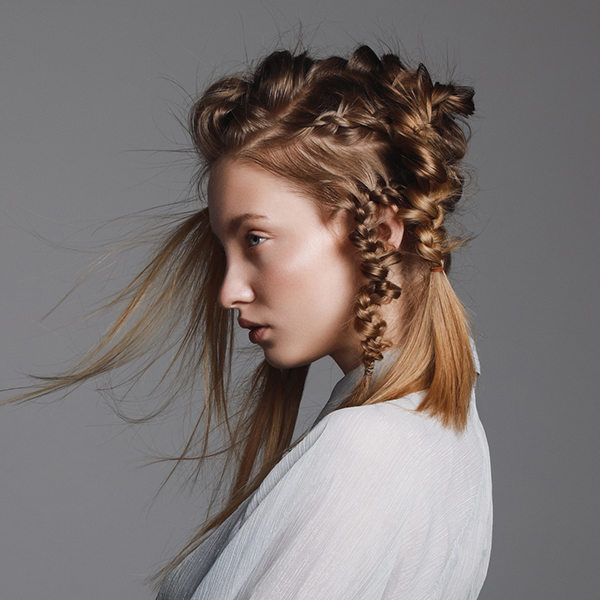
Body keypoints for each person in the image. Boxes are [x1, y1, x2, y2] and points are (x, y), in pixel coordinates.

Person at [7, 44, 492, 599]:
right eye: (226, 248)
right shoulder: (439, 435)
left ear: (381, 231)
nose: (229, 291)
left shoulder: (367, 449)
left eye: (256, 239)